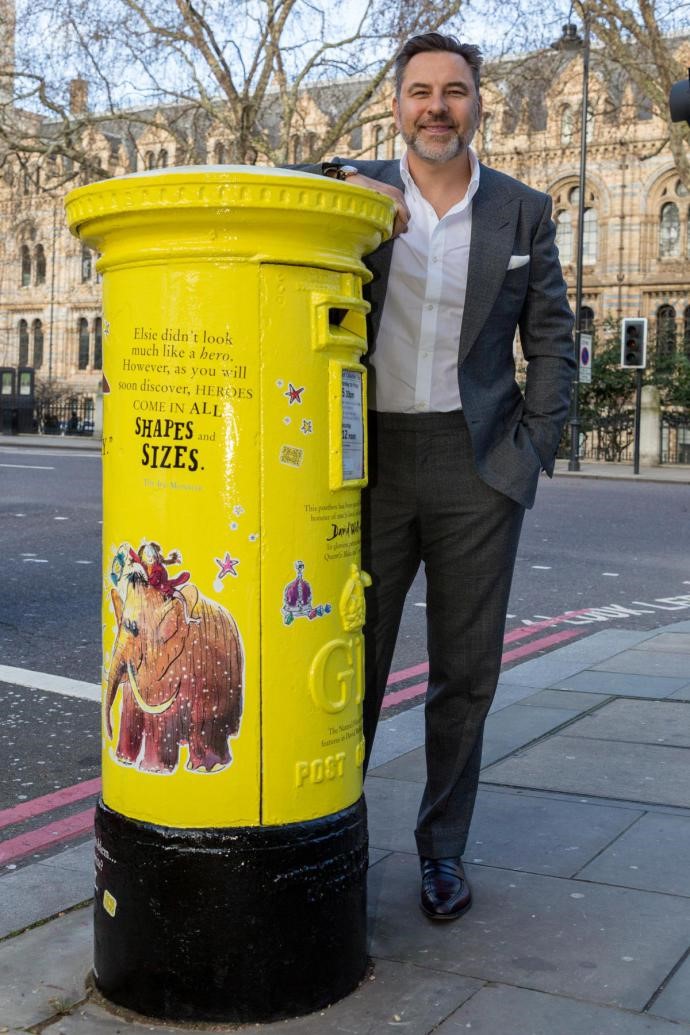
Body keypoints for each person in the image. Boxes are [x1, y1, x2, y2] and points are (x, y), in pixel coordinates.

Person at [303, 32, 576, 921]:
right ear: (396, 106)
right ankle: (330, 841)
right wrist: (342, 179)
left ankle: (442, 851)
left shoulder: (522, 210)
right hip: (368, 466)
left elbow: (552, 336)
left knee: (465, 674)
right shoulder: (354, 191)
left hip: (477, 463)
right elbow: (268, 186)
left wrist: (532, 447)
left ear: (477, 104)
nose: (436, 107)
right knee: (351, 662)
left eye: (453, 91)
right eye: (419, 91)